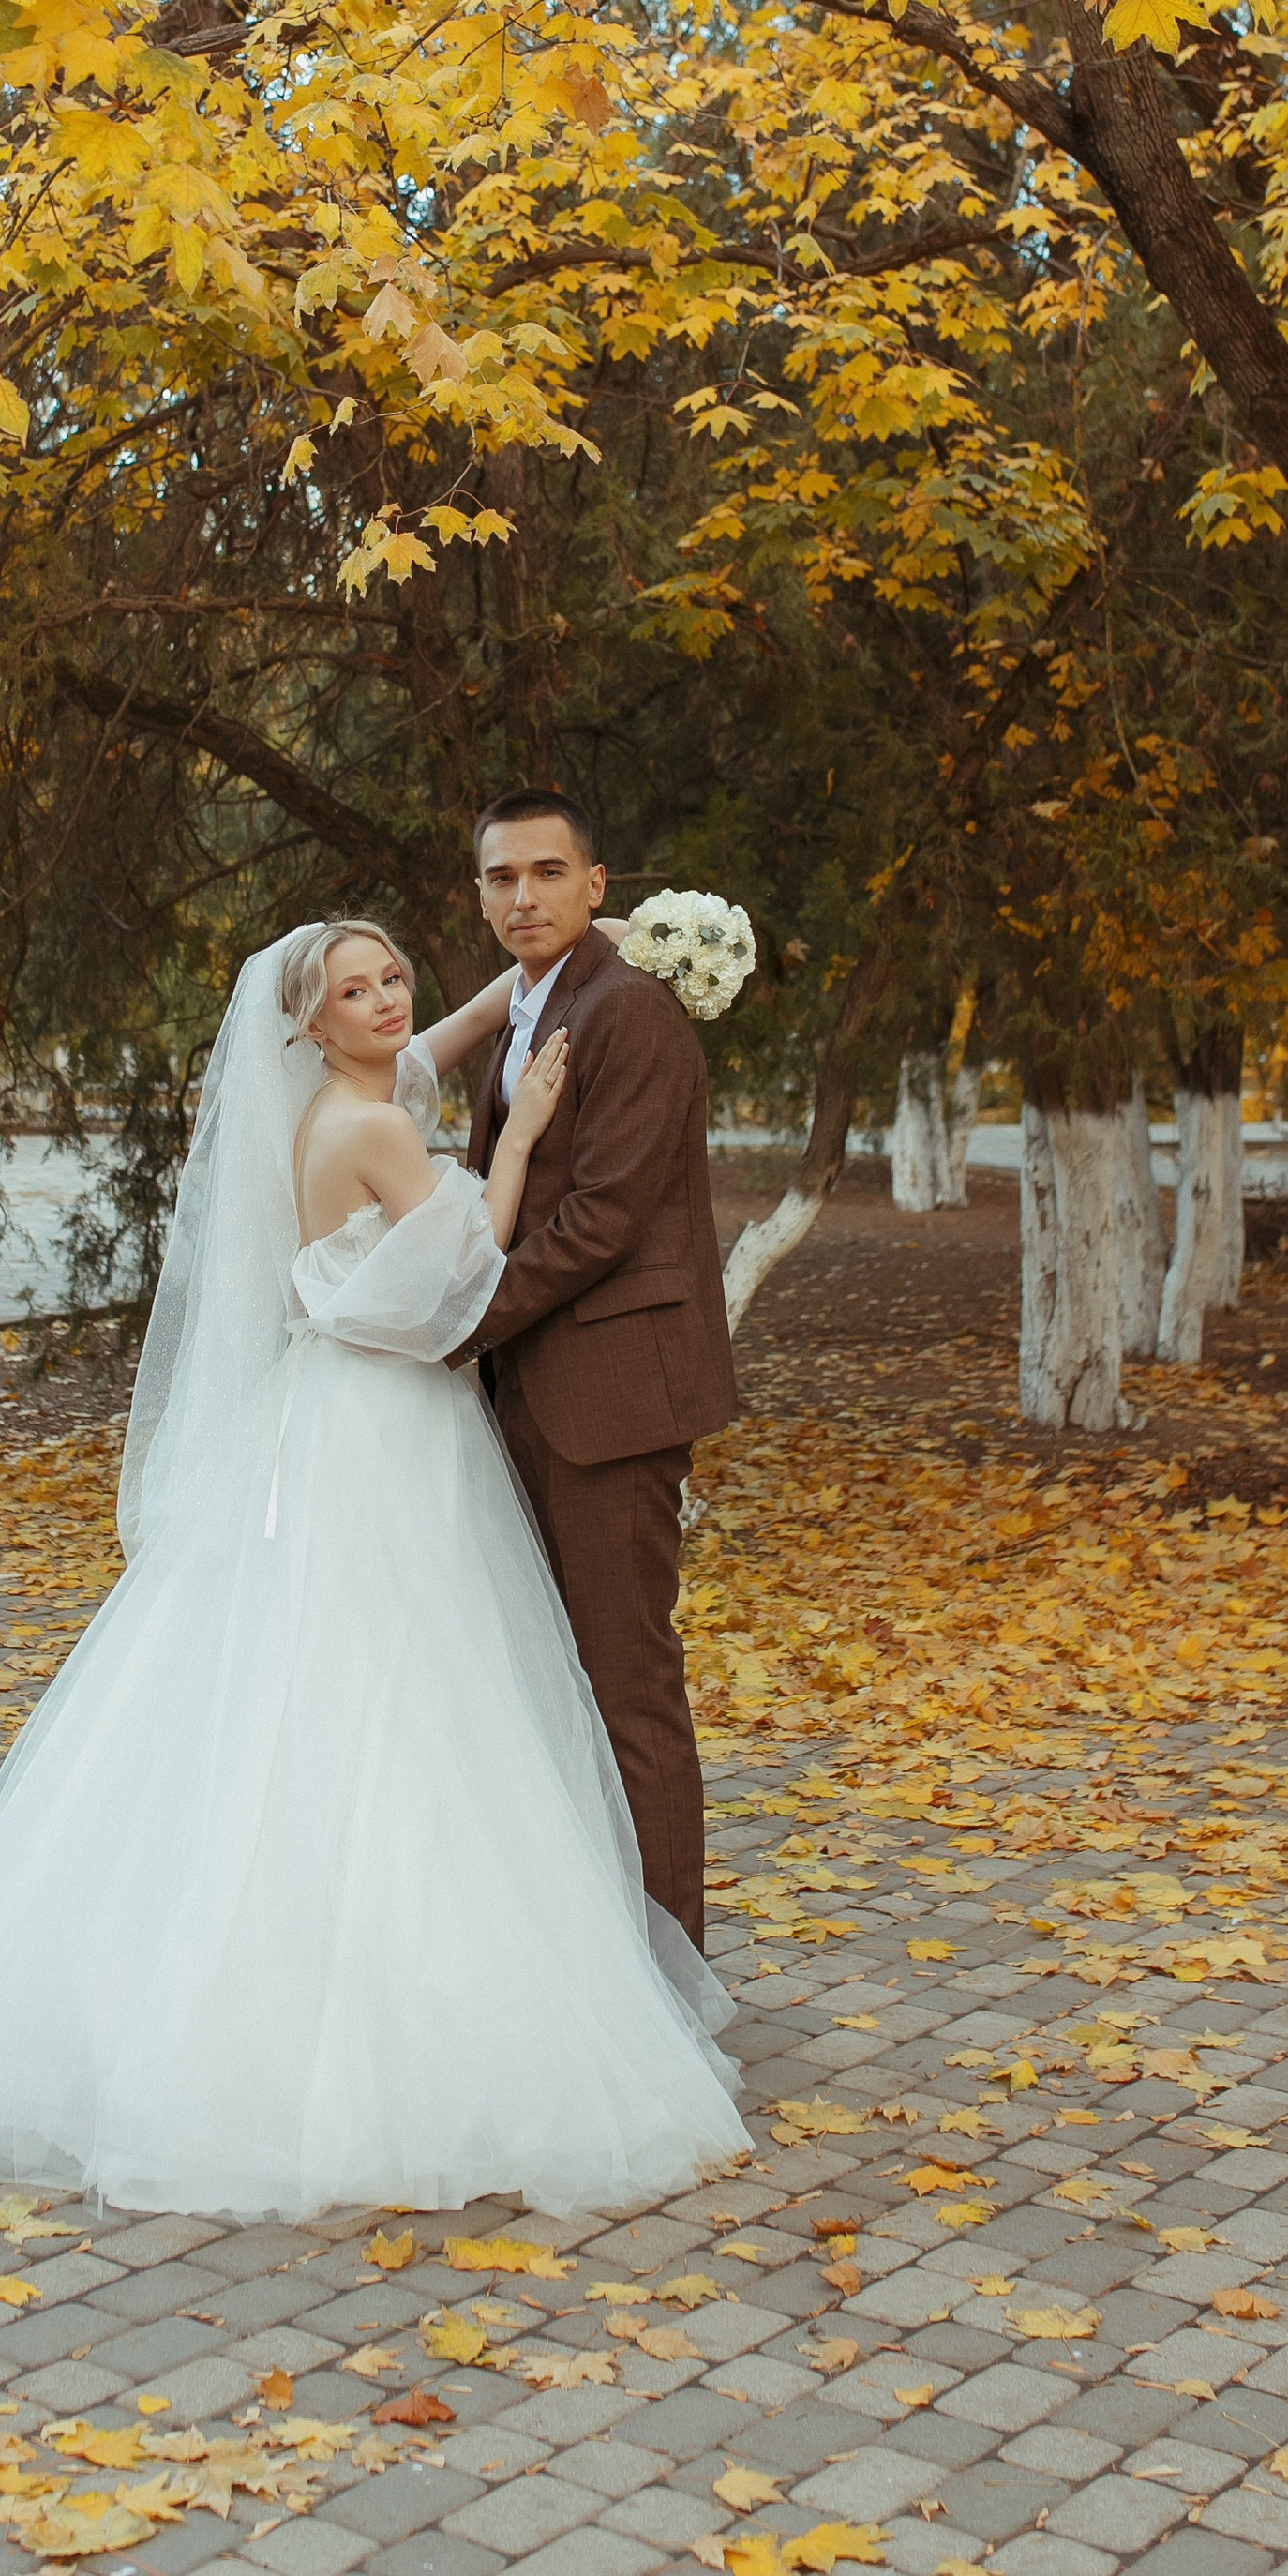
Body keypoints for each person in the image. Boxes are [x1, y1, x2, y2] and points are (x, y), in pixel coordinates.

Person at [0, 916, 746, 2219]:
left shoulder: (343, 1100)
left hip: (321, 1421)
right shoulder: (368, 1132)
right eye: (351, 990)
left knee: (335, 1677)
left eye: (391, 979)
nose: (383, 1002)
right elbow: (472, 1261)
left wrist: (522, 985)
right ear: (305, 1024)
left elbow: (426, 1050)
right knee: (407, 1683)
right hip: (383, 1426)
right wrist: (530, 1132)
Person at [459, 792, 738, 1948]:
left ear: (596, 884)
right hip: (531, 1395)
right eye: (499, 878)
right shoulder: (529, 1009)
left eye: (545, 872)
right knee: (552, 1694)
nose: (522, 896)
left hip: (611, 1405)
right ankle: (592, 1969)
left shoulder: (632, 1013)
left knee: (628, 1693)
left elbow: (603, 1219)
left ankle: (672, 1981)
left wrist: (456, 1320)